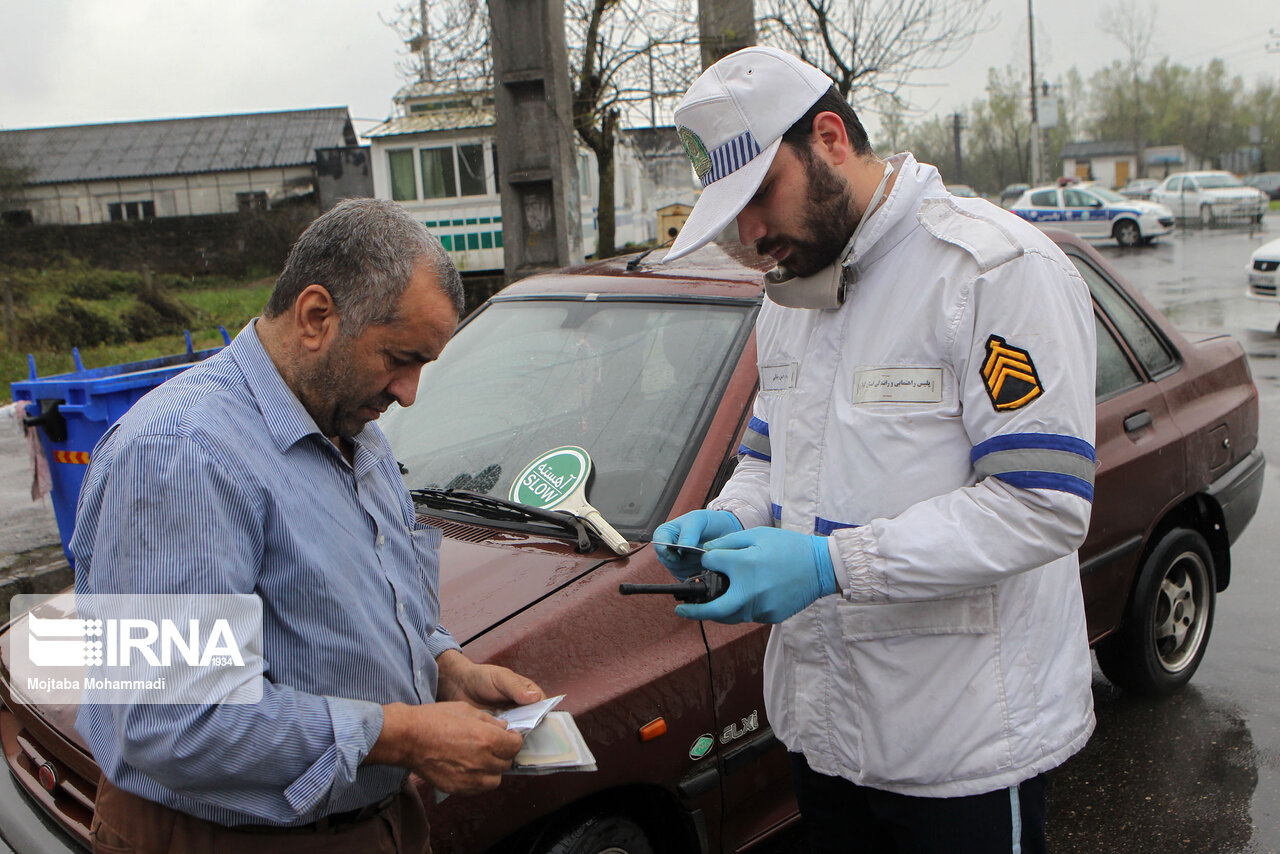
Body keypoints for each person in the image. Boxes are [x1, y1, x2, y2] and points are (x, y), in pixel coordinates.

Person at [655, 47, 1096, 853]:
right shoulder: (789, 298)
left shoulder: (990, 270)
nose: (752, 235)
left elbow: (1041, 505)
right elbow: (766, 461)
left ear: (829, 137)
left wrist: (831, 566)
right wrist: (727, 519)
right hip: (824, 734)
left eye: (758, 196)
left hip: (959, 745)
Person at [70, 198, 543, 854]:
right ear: (317, 316)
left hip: (372, 818)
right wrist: (404, 734)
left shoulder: (352, 424)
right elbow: (173, 720)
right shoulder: (182, 454)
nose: (409, 393)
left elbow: (371, 601)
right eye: (400, 358)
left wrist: (444, 667)